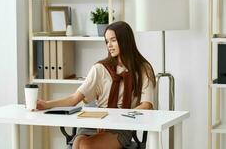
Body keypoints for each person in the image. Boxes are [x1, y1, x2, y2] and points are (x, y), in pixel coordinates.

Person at [36, 21, 156, 149]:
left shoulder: (143, 69)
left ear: (125, 40)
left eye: (113, 40)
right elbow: (73, 99)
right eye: (107, 41)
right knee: (78, 143)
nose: (109, 45)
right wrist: (46, 104)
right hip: (95, 123)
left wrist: (121, 118)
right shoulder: (99, 68)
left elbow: (146, 105)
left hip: (120, 127)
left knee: (86, 146)